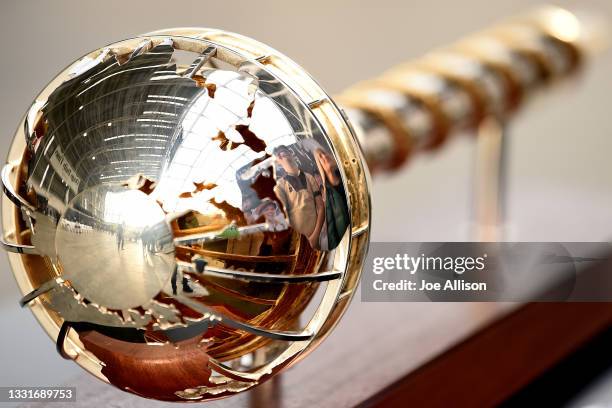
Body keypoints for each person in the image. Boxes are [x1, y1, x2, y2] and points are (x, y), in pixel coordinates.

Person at [272, 145, 325, 249]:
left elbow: (321, 207)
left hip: (319, 237)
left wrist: (315, 236)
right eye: (277, 154)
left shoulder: (309, 177)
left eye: (283, 150)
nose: (280, 154)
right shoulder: (280, 186)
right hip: (299, 245)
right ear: (277, 161)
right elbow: (282, 219)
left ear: (291, 153)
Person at [313, 148, 350, 250]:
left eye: (324, 153)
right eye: (320, 157)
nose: (324, 156)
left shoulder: (348, 176)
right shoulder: (327, 196)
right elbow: (331, 231)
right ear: (320, 165)